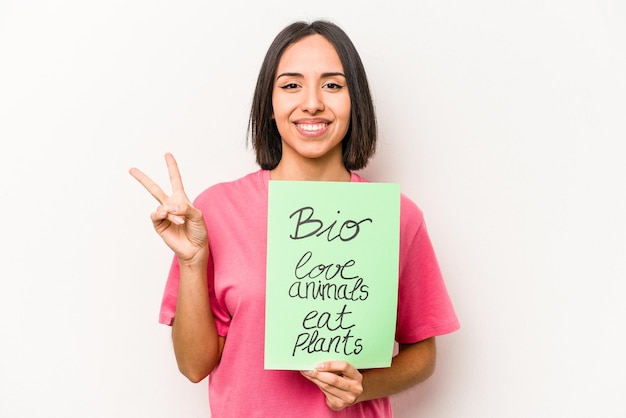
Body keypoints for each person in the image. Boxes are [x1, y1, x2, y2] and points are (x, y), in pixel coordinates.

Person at [130, 20, 459, 417]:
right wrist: (192, 262)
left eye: (332, 85)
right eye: (291, 85)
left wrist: (361, 387)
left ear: (355, 101)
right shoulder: (217, 210)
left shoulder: (396, 216)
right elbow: (194, 367)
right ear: (268, 105)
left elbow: (422, 352)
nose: (313, 103)